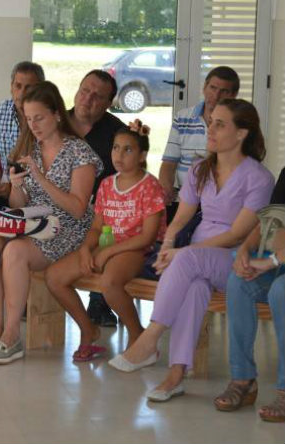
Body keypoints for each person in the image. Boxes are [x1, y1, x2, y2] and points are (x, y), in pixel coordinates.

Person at [109, 99, 274, 404]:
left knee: (186, 260)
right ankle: (175, 376)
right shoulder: (200, 168)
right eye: (211, 122)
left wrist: (182, 253)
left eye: (220, 124)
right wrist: (168, 245)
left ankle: (150, 338)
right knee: (195, 287)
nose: (210, 128)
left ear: (241, 134)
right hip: (197, 260)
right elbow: (181, 218)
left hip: (234, 260)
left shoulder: (259, 177)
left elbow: (237, 233)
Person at [0, 81, 102, 365]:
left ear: (57, 114)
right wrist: (16, 186)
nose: (34, 125)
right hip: (36, 224)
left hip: (68, 229)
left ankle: (12, 335)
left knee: (15, 252)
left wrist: (40, 178)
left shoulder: (79, 152)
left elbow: (77, 209)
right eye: (28, 118)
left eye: (39, 117)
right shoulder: (31, 151)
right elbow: (18, 208)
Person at [46, 123, 166, 361]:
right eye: (116, 148)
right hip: (108, 246)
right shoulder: (107, 185)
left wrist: (108, 252)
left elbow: (148, 236)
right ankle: (88, 329)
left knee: (110, 282)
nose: (119, 155)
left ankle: (138, 336)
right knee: (54, 277)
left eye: (128, 150)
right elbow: (97, 226)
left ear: (142, 155)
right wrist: (86, 249)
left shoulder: (150, 185)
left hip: (137, 248)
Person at [212, 168, 285, 421]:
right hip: (280, 262)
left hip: (280, 264)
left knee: (281, 291)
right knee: (239, 281)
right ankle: (243, 379)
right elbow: (270, 223)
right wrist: (245, 249)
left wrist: (273, 260)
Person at [68, 69, 126, 328]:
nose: (87, 99)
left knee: (109, 228)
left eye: (97, 96)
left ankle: (99, 301)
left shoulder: (117, 133)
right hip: (57, 205)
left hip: (99, 210)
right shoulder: (56, 122)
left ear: (108, 103)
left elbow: (123, 183)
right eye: (84, 91)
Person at [159, 66, 240, 221]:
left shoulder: (236, 125)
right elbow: (169, 161)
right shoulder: (182, 117)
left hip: (219, 201)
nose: (216, 95)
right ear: (204, 87)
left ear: (234, 95)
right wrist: (165, 186)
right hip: (182, 198)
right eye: (213, 88)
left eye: (224, 91)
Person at [0, 61, 45, 205]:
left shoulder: (48, 119)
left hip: (36, 194)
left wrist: (14, 186)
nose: (22, 93)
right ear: (11, 87)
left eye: (29, 87)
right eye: (18, 86)